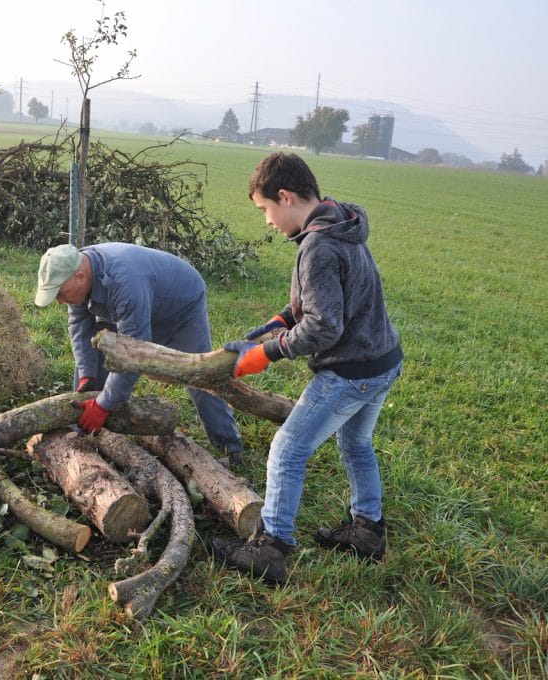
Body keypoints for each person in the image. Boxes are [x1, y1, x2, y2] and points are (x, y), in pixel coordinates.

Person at [210, 152, 404, 585]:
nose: (267, 221)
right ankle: (367, 531)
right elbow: (330, 298)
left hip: (351, 371)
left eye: (265, 210)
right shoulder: (341, 222)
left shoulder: (318, 245)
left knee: (287, 450)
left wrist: (267, 353)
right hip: (384, 360)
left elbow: (324, 325)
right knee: (356, 443)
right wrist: (284, 317)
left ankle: (271, 548)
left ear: (285, 196)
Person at [34, 242, 244, 459]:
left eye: (59, 292)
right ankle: (80, 439)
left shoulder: (124, 281)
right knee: (92, 368)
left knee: (201, 378)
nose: (59, 301)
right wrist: (87, 373)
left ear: (80, 277)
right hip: (126, 307)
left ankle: (229, 446)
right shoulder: (77, 274)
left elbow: (134, 354)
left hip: (180, 306)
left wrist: (104, 404)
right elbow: (79, 325)